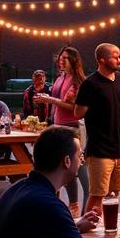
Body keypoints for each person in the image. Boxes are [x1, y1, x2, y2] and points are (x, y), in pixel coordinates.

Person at [73, 43, 120, 215]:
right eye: (115, 56)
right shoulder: (90, 84)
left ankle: (109, 229)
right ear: (102, 59)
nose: (119, 60)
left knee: (114, 194)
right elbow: (78, 113)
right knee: (98, 194)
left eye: (119, 56)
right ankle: (88, 231)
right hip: (100, 149)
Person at [34, 46, 90, 215]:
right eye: (60, 57)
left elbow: (74, 108)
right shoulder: (60, 78)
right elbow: (57, 104)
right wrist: (50, 118)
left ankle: (89, 200)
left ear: (73, 60)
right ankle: (73, 206)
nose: (61, 60)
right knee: (64, 169)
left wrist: (50, 99)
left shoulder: (78, 81)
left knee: (77, 167)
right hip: (58, 125)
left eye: (65, 58)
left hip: (72, 127)